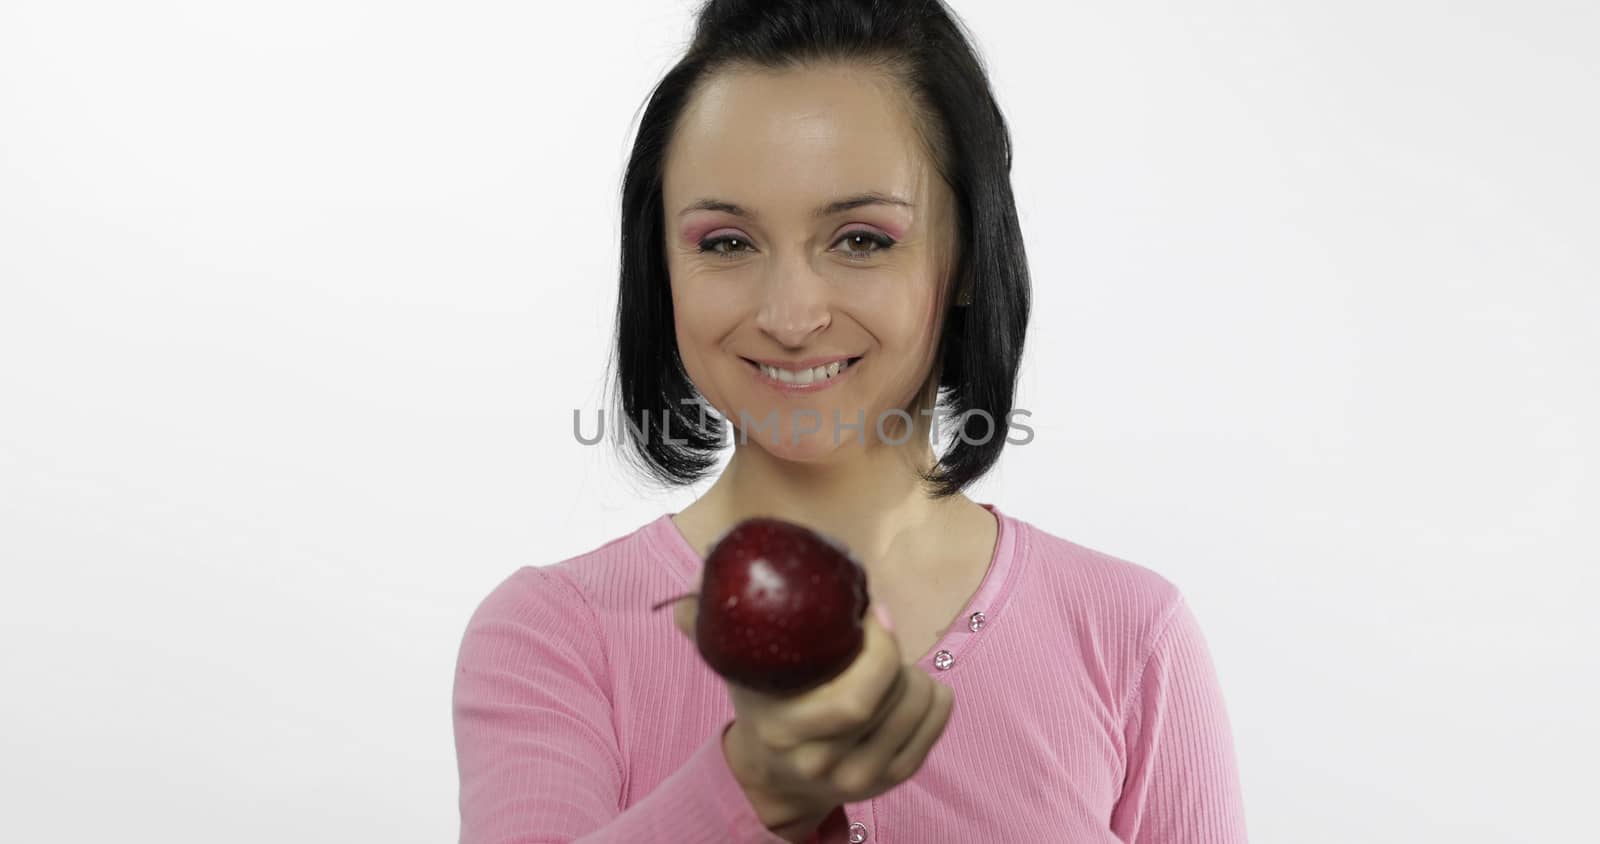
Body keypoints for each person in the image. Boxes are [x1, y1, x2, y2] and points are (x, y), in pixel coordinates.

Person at [452, 1, 1248, 841]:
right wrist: (749, 789)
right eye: (726, 242)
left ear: (970, 255)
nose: (791, 316)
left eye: (862, 239)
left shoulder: (1131, 634)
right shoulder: (556, 634)